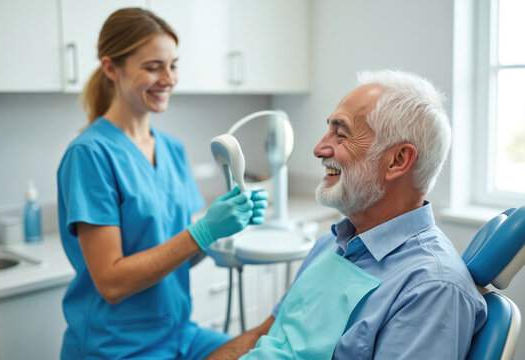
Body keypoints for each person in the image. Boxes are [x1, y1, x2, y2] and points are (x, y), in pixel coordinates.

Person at [206, 70, 488, 359]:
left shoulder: (432, 289)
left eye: (341, 135)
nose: (318, 149)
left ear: (397, 160)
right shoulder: (332, 244)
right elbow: (264, 334)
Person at [56, 8, 268, 359]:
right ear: (111, 68)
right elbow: (111, 282)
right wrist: (200, 232)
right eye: (153, 67)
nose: (169, 78)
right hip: (118, 346)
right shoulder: (90, 155)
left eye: (173, 65)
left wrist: (220, 227)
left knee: (267, 349)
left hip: (179, 335)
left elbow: (176, 253)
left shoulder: (171, 148)